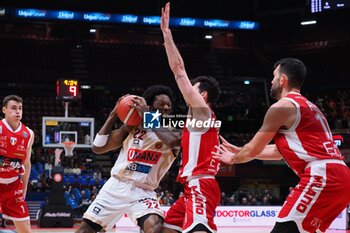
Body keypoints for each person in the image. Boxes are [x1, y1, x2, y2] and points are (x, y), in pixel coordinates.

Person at [213, 58, 350, 233]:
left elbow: (253, 149)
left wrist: (234, 158)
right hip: (341, 176)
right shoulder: (312, 107)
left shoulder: (282, 107)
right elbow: (278, 151)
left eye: (274, 76)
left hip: (323, 175)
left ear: (282, 79)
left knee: (284, 229)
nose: (271, 81)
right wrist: (241, 150)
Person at [75, 85, 181, 233]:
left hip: (143, 192)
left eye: (168, 105)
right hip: (115, 187)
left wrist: (147, 115)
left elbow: (172, 142)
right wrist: (113, 115)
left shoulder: (173, 133)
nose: (166, 108)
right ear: (149, 107)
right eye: (161, 104)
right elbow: (98, 148)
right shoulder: (131, 128)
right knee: (84, 231)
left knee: (155, 227)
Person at [160, 3, 222, 233]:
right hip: (191, 186)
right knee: (164, 229)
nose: (188, 90)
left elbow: (178, 69)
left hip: (200, 184)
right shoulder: (201, 120)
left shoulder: (202, 110)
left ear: (202, 94)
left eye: (194, 88)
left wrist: (167, 34)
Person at [0, 95, 34, 233]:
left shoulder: (29, 133)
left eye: (20, 108)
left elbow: (26, 163)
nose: (18, 111)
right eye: (13, 108)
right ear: (4, 110)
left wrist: (24, 188)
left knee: (26, 230)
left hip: (14, 186)